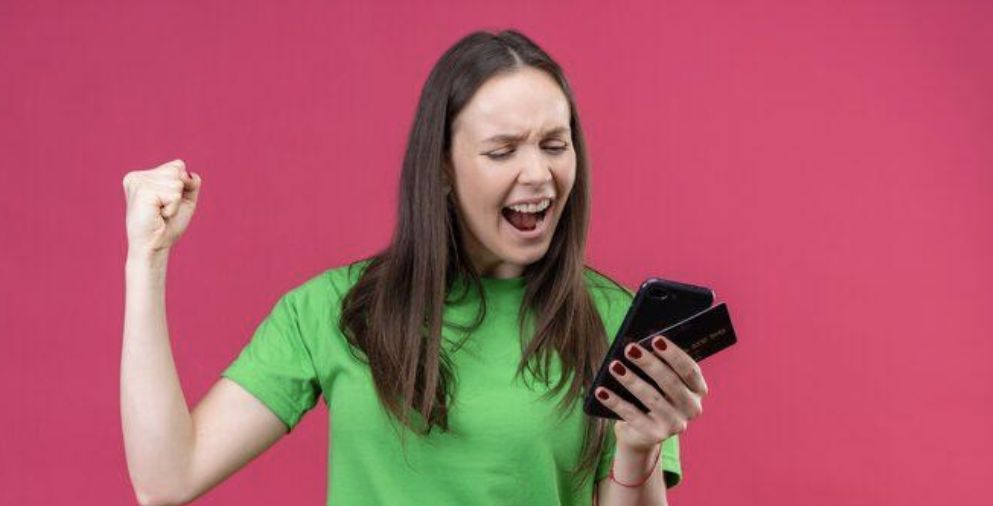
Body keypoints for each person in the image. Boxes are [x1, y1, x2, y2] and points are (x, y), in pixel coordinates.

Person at [120, 29, 709, 506]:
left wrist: (638, 448)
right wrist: (146, 259)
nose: (538, 174)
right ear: (444, 170)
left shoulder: (613, 319)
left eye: (555, 145)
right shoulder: (335, 309)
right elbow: (167, 479)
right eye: (503, 151)